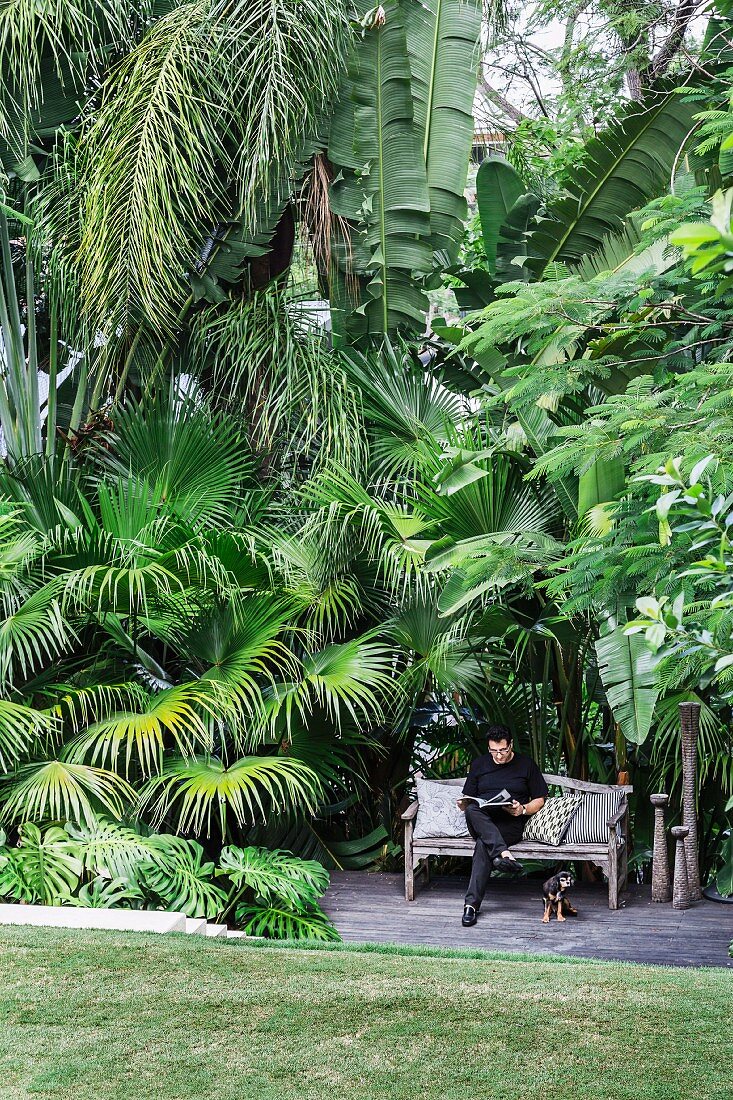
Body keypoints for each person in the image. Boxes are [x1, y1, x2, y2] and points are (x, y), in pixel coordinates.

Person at [459, 724, 548, 927]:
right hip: (482, 821)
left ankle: (470, 907)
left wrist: (523, 809)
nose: (498, 756)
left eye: (503, 750)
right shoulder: (479, 764)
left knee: (483, 844)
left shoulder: (526, 764)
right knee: (473, 810)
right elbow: (468, 797)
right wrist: (463, 803)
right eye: (494, 751)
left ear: (511, 745)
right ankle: (504, 854)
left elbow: (540, 799)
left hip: (510, 823)